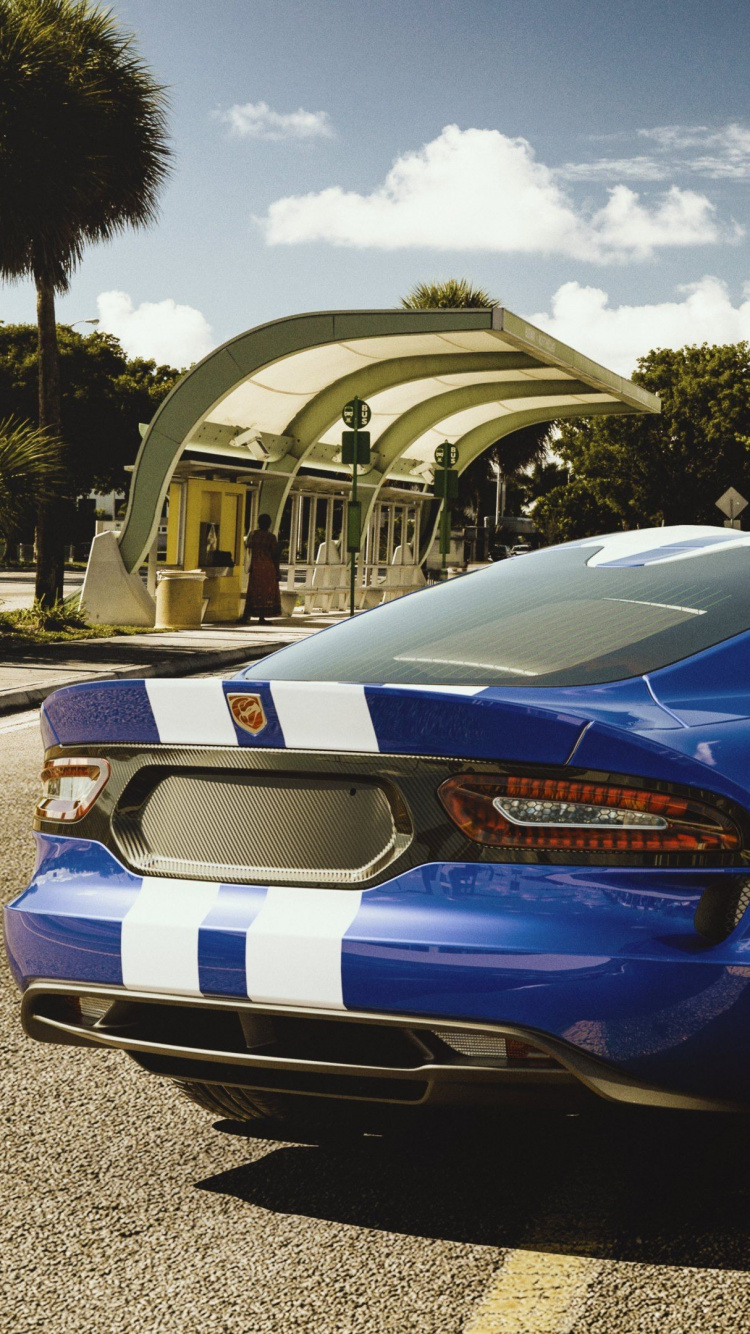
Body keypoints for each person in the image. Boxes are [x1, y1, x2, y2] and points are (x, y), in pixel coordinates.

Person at [242, 512, 281, 624]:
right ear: (269, 524)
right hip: (268, 568)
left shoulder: (253, 535)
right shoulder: (271, 537)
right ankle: (261, 617)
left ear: (258, 523)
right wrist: (277, 572)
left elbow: (247, 548)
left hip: (255, 567)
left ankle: (246, 615)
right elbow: (275, 555)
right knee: (265, 592)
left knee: (252, 590)